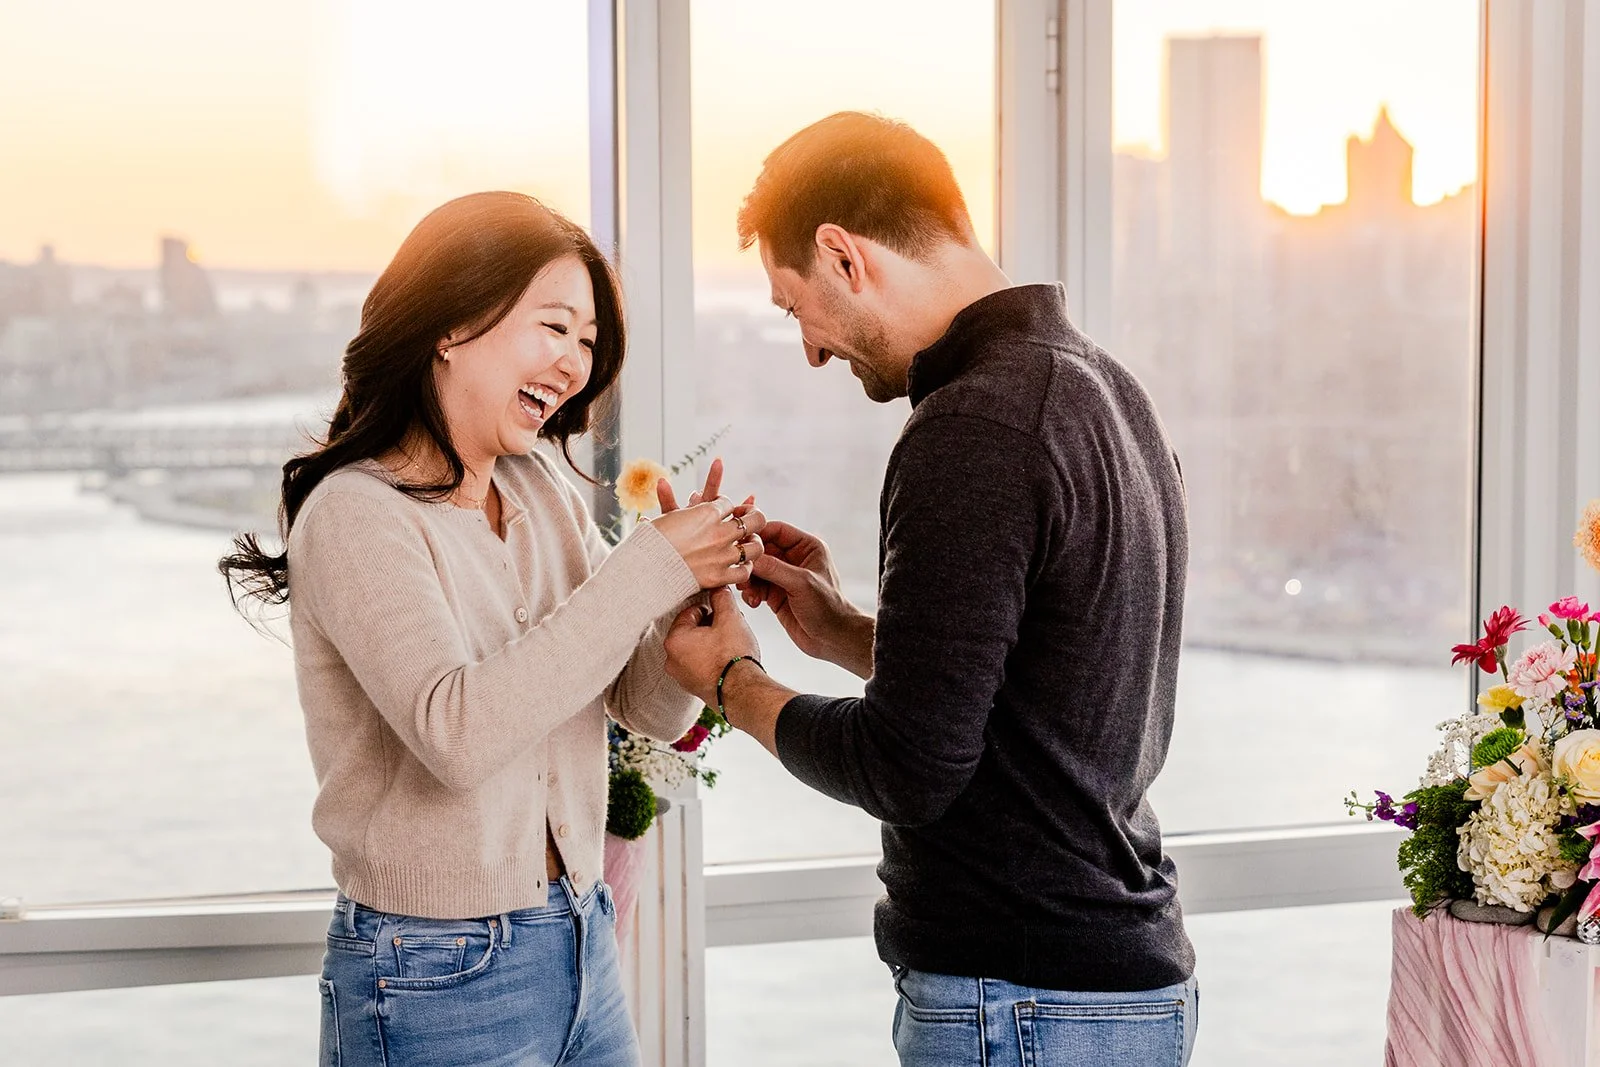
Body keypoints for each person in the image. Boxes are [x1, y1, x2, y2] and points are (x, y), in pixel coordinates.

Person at [661, 113, 1198, 1066]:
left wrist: (731, 678)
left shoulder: (974, 427)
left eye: (795, 308)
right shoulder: (1105, 389)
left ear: (842, 254)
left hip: (1025, 1000)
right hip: (1116, 989)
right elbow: (1052, 689)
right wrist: (848, 633)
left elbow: (906, 768)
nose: (813, 351)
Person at [219, 191, 764, 1067]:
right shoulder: (357, 513)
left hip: (583, 940)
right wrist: (648, 568)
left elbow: (645, 709)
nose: (574, 364)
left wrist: (681, 615)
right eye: (553, 327)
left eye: (588, 342)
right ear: (452, 322)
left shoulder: (543, 489)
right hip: (434, 973)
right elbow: (457, 733)